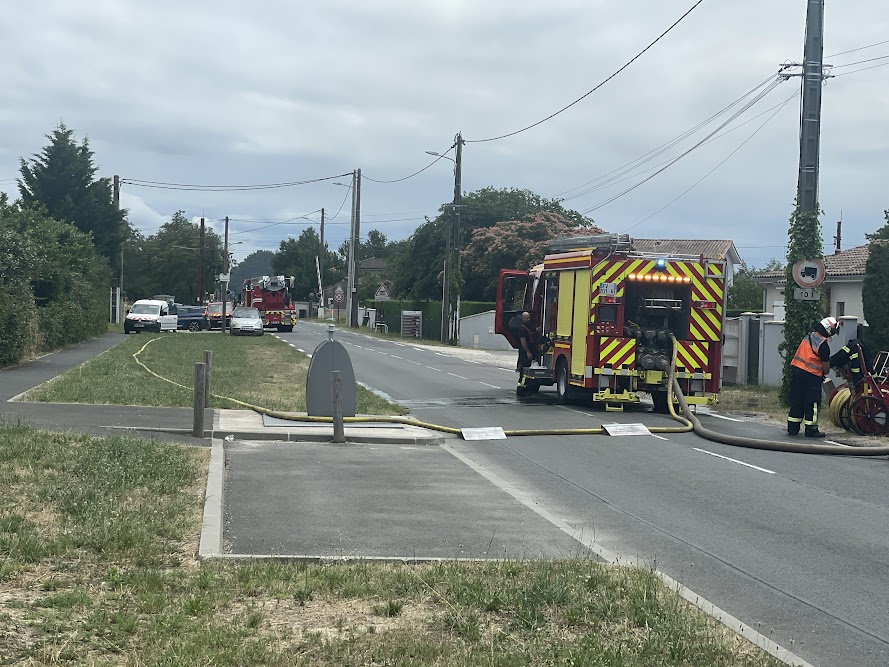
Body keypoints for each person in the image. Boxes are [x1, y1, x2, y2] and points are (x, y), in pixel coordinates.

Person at [787, 316, 841, 437]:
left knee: (797, 400)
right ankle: (811, 429)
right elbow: (826, 370)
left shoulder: (809, 336)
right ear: (829, 330)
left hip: (797, 372)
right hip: (812, 377)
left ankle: (792, 428)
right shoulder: (824, 346)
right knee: (812, 402)